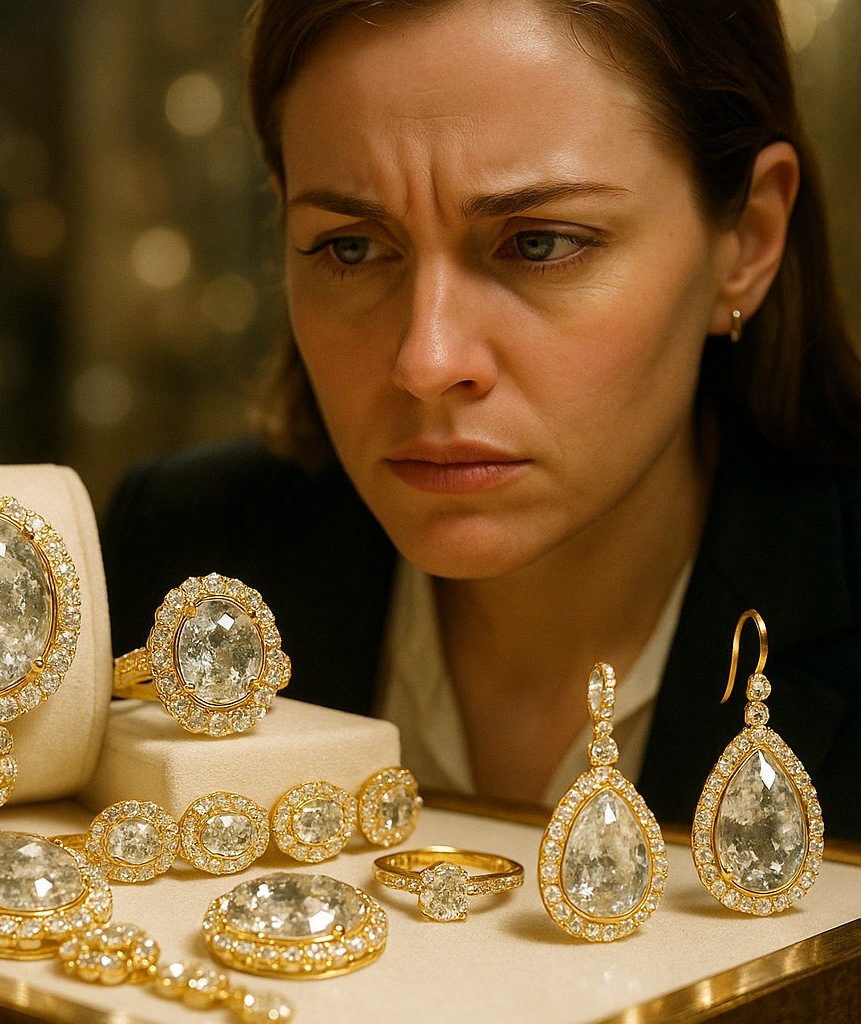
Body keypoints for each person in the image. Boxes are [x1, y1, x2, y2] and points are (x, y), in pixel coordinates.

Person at [103, 0, 861, 840]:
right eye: (349, 247)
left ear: (749, 242)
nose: (426, 362)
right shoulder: (180, 561)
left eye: (539, 244)